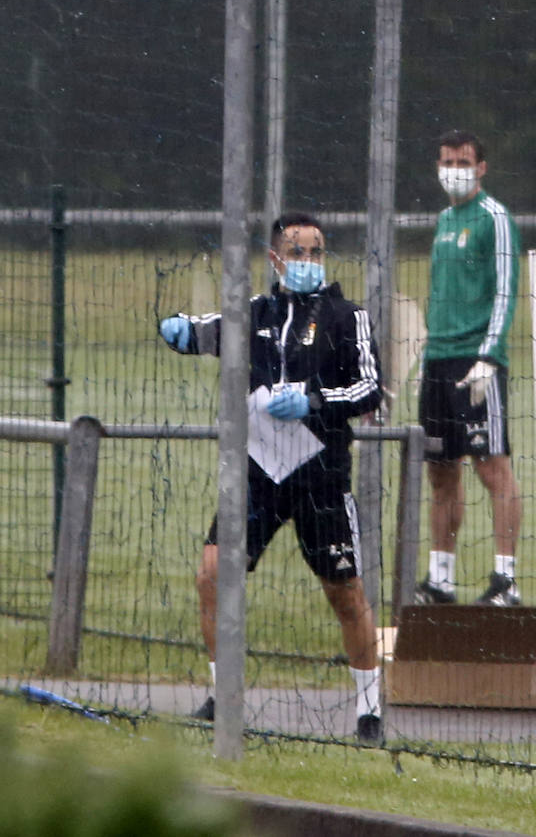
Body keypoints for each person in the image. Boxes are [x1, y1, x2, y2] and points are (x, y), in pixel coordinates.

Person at [157, 212, 387, 745]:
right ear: (276, 258)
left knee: (345, 591)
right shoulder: (252, 314)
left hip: (321, 473)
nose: (308, 261)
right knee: (213, 574)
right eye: (298, 251)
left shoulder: (345, 317)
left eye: (317, 251)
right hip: (258, 473)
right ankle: (222, 695)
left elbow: (371, 389)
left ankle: (370, 709)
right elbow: (206, 332)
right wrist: (180, 332)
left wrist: (313, 400)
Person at [413, 129, 525, 607]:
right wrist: (424, 356)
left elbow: (505, 290)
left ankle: (506, 580)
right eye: (445, 161)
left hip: (477, 362)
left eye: (462, 161)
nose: (452, 169)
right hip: (437, 360)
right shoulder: (442, 220)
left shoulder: (494, 218)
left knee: (491, 466)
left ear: (481, 167)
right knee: (440, 471)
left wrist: (487, 354)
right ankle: (441, 580)